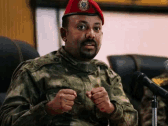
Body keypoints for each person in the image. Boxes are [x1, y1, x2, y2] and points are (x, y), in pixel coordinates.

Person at [0, 0, 138, 125]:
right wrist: (47, 109)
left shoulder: (107, 75)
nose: (91, 34)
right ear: (64, 34)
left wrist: (111, 109)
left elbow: (132, 120)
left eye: (96, 28)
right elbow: (7, 121)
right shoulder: (34, 71)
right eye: (82, 27)